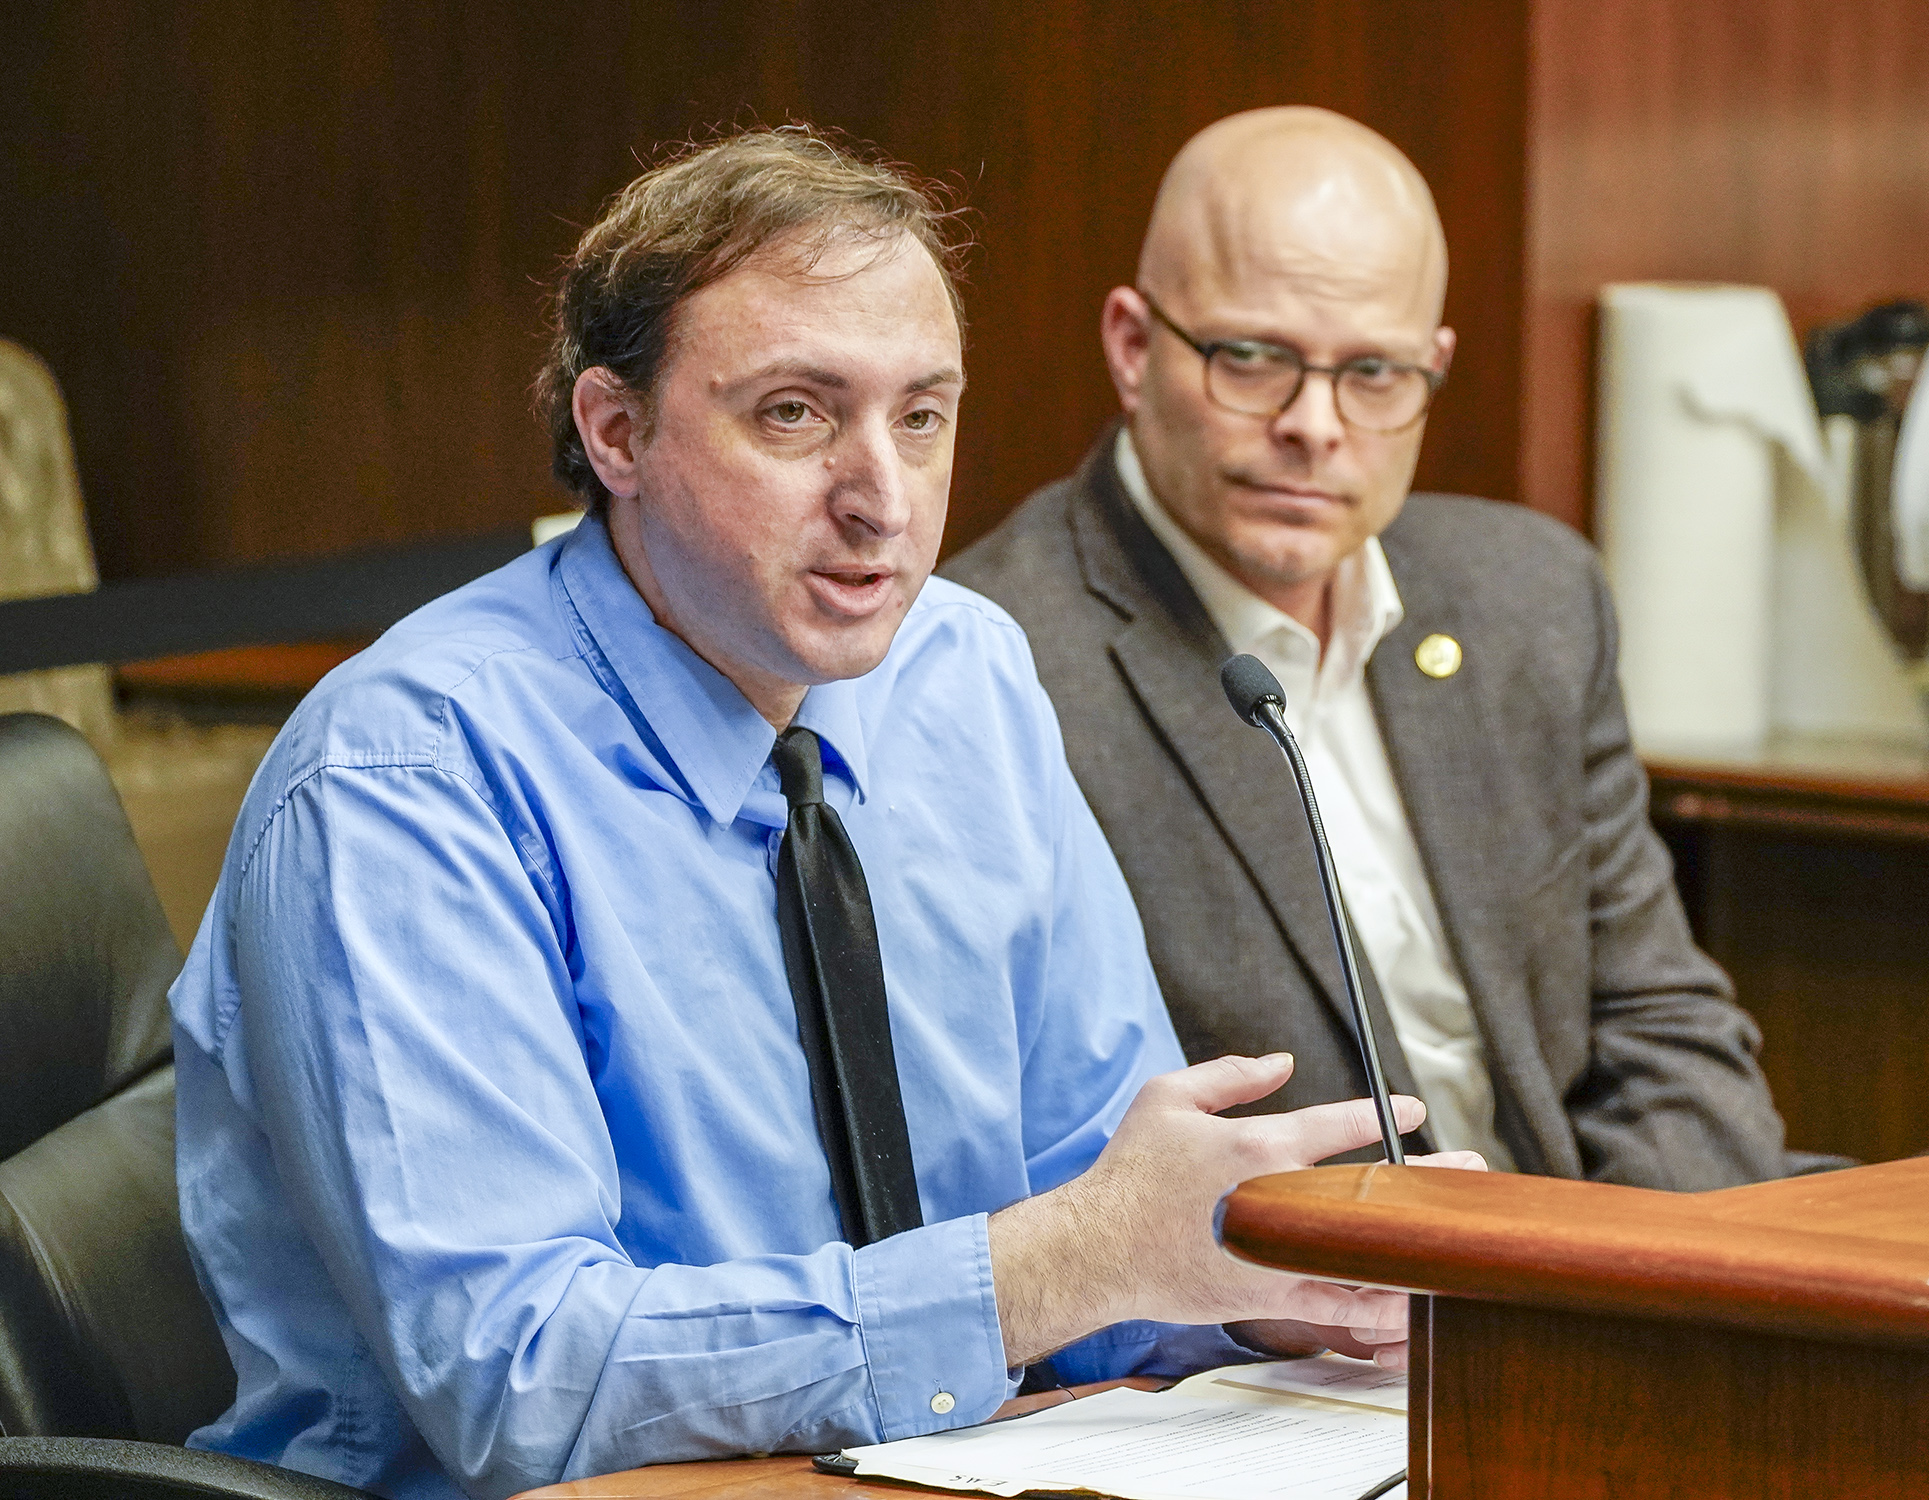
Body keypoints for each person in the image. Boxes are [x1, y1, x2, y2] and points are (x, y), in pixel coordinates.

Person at [170, 128, 1479, 1500]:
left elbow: (1101, 1192)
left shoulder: (961, 675)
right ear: (616, 430)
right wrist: (1061, 1266)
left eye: (922, 415)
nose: (885, 499)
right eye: (795, 414)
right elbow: (522, 1379)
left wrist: (1261, 1283)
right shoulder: (409, 779)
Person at [946, 107, 1790, 1190]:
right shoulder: (991, 663)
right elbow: (1040, 1161)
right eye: (1252, 359)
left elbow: (1657, 1023)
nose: (1315, 423)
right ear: (1133, 345)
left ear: (1432, 369)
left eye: (1375, 375)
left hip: (1580, 1277)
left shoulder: (1529, 598)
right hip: (1289, 1325)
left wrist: (1635, 1297)